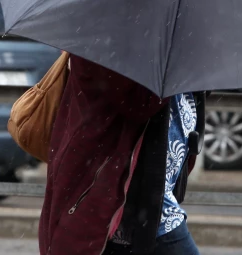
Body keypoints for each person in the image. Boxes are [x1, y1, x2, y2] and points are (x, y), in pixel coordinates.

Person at [39, 54, 204, 255]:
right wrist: (176, 61)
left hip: (145, 197)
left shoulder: (157, 37)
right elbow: (138, 102)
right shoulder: (110, 36)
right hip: (116, 195)